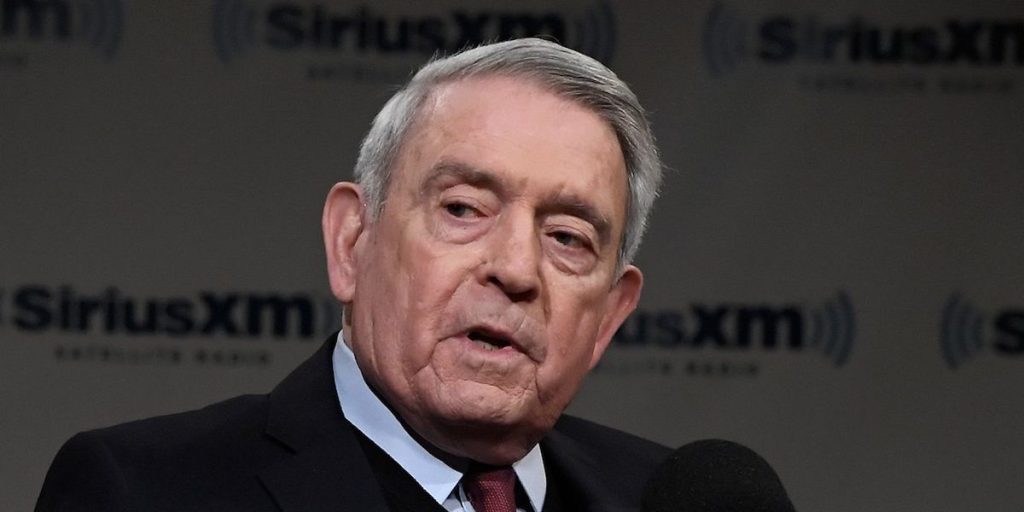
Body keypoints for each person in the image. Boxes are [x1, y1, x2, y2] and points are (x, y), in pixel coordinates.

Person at [36, 37, 667, 512]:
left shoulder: (664, 496)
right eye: (463, 209)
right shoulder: (141, 490)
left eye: (567, 238)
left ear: (608, 317)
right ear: (351, 242)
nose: (515, 269)